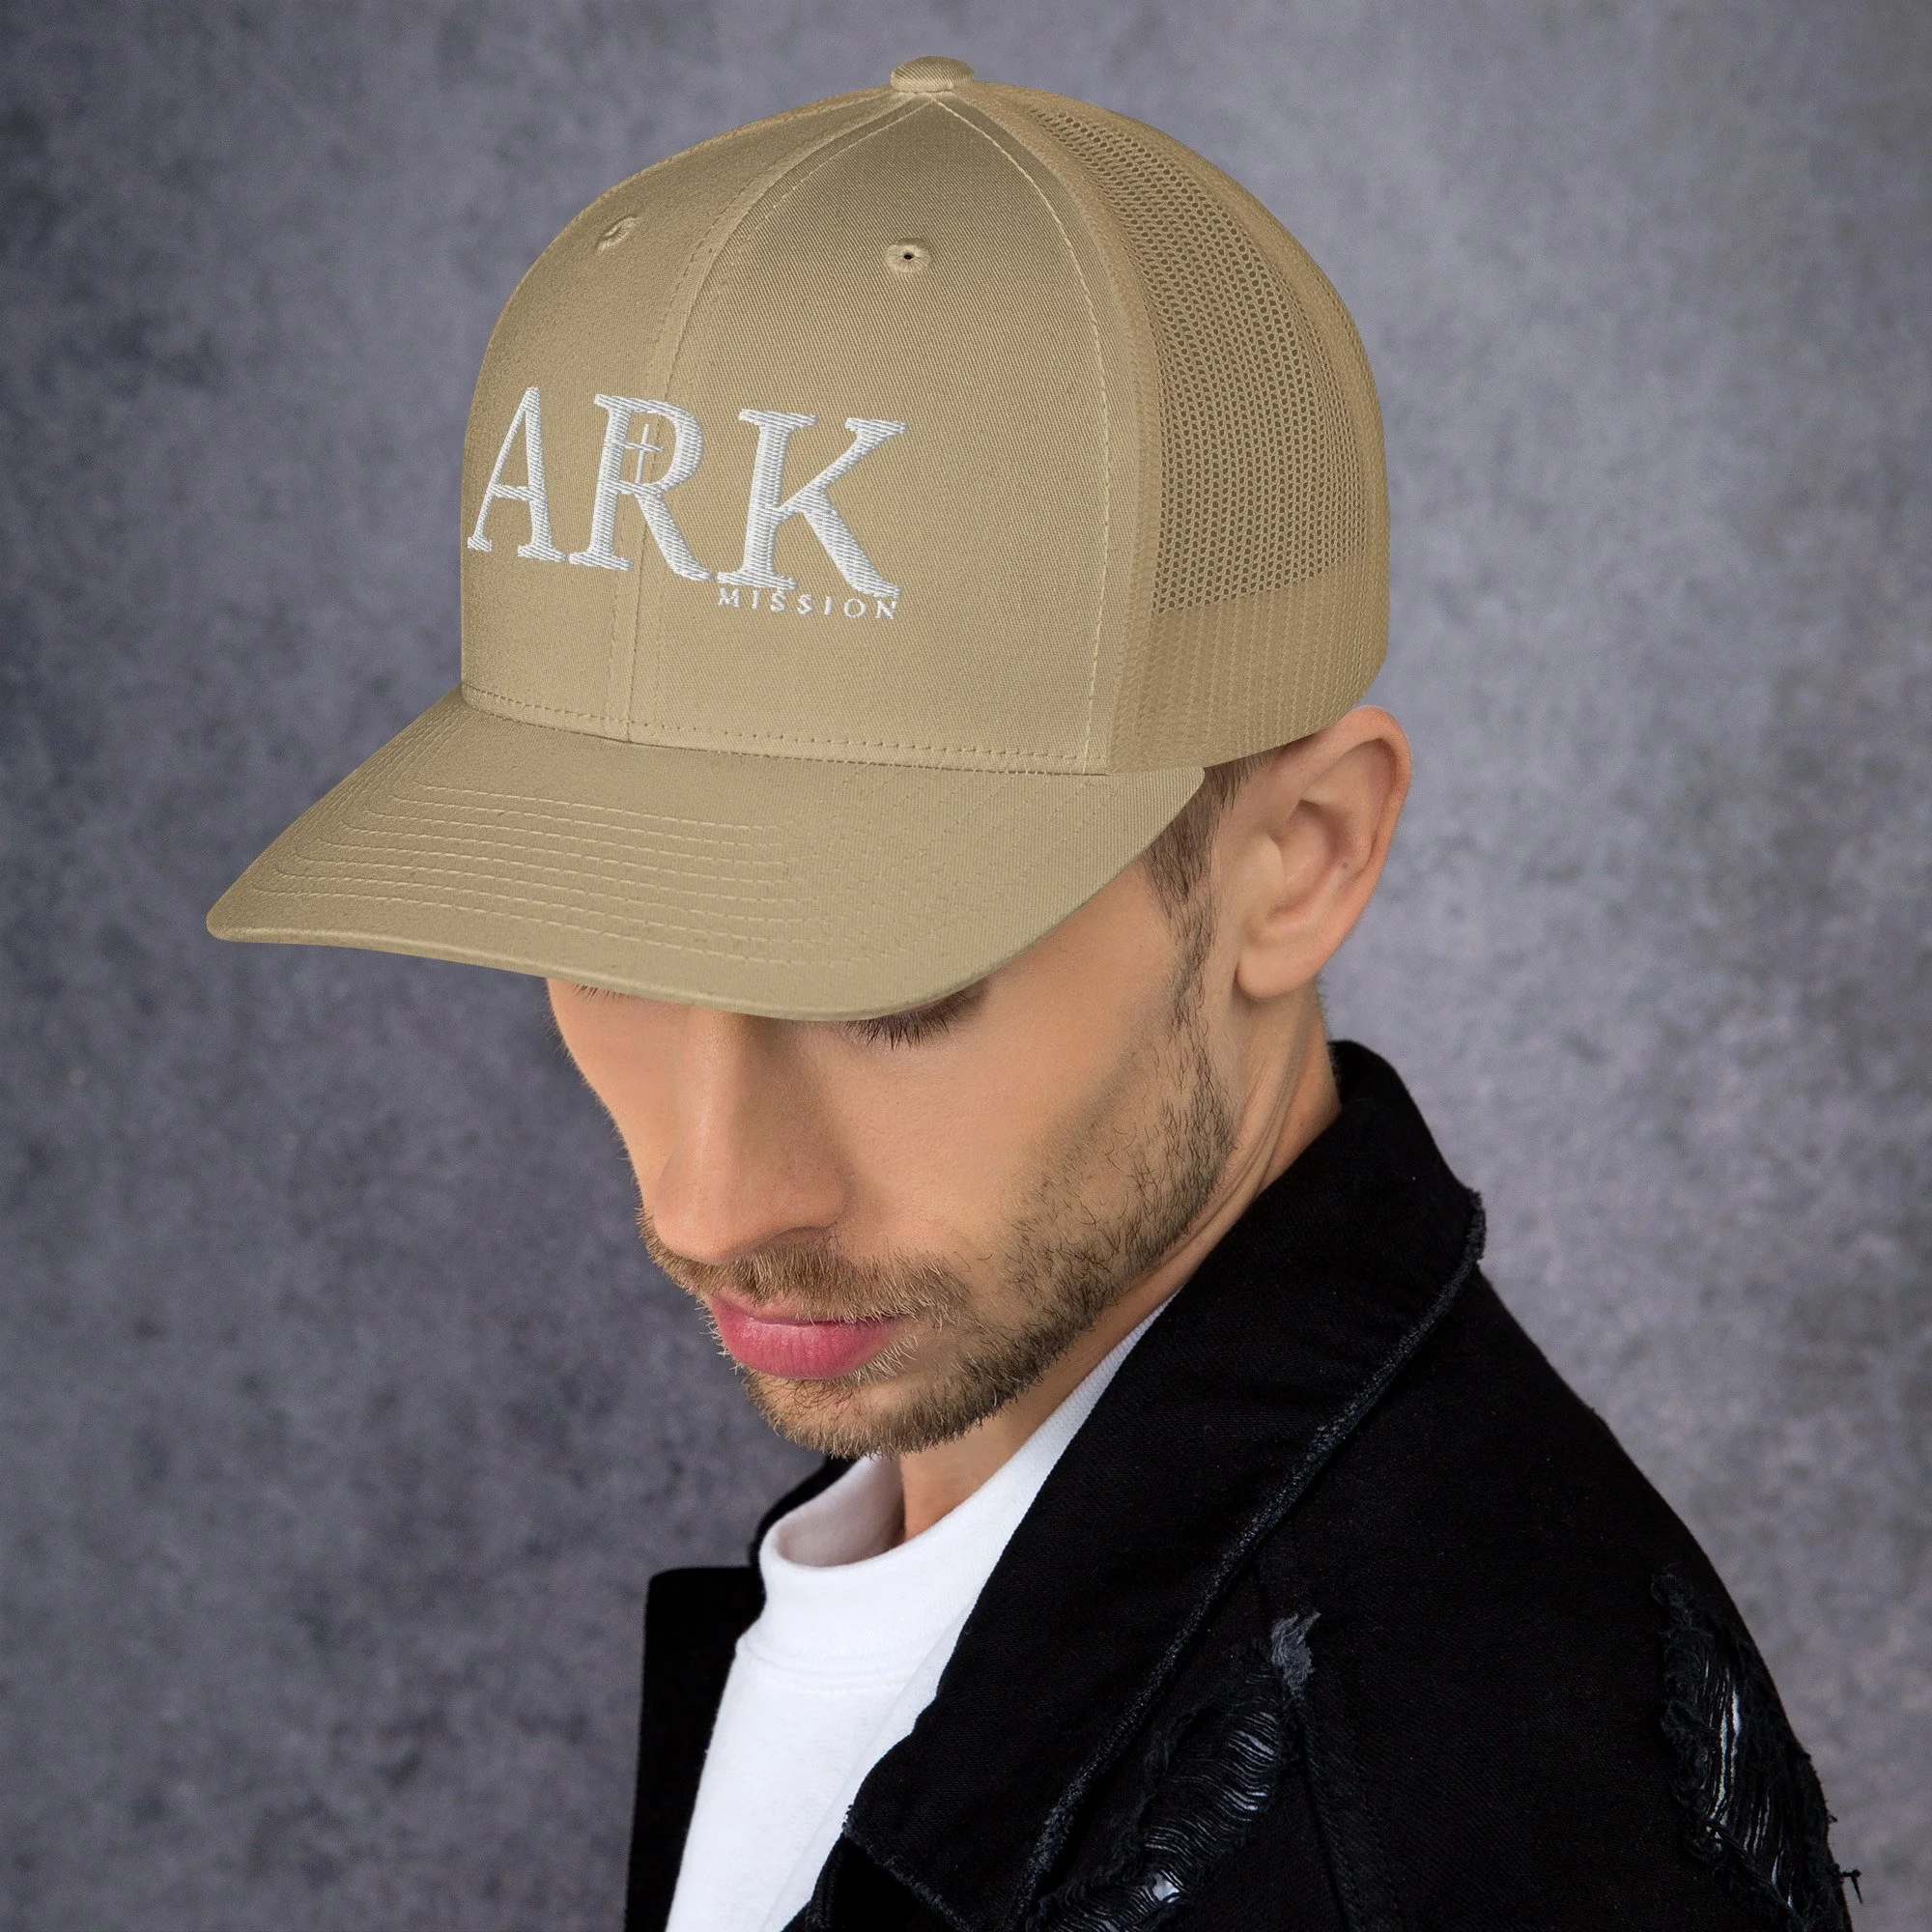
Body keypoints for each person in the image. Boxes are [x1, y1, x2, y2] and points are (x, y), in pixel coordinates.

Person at [210, 55, 1856, 1932]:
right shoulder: (963, 1556)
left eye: (893, 982)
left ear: (1297, 857)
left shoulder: (1421, 1820)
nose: (710, 1199)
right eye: (612, 936)